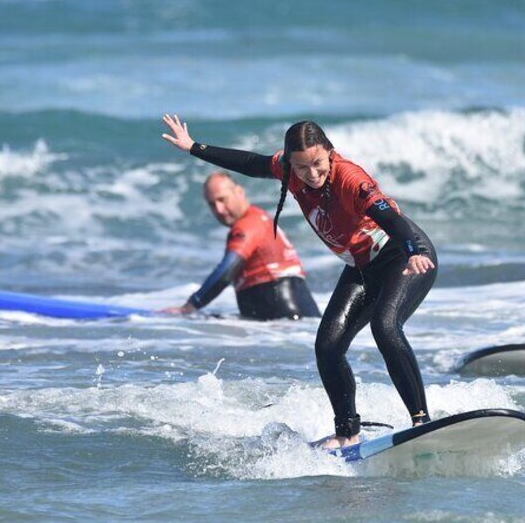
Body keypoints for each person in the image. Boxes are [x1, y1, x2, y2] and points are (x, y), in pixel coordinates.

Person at [161, 114, 437, 448]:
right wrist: (195, 148)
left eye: (319, 164)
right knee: (328, 346)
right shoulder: (288, 170)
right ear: (291, 162)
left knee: (385, 326)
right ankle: (348, 432)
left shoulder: (351, 178)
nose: (313, 174)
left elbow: (389, 217)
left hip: (403, 257)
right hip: (362, 267)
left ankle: (422, 420)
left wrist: (413, 251)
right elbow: (250, 162)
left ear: (330, 153)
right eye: (303, 168)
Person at [164, 172, 320, 321]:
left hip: (282, 314)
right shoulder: (259, 217)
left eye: (222, 199)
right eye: (212, 204)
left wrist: (191, 306)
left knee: (192, 320)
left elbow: (226, 271)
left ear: (239, 192)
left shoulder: (248, 224)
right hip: (294, 315)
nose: (219, 209)